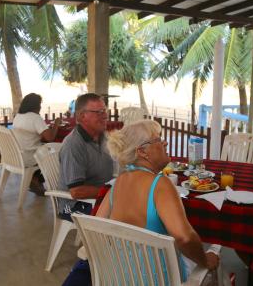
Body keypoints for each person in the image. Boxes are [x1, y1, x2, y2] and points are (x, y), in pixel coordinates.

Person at [94, 120, 219, 282]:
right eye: (159, 139)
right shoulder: (160, 185)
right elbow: (185, 238)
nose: (165, 142)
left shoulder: (118, 183)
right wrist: (204, 259)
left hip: (121, 277)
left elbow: (97, 226)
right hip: (158, 278)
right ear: (142, 152)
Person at [58, 93, 114, 220]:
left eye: (105, 111)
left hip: (100, 197)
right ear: (82, 116)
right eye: (99, 112)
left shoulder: (103, 136)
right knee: (126, 214)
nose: (105, 116)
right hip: (73, 207)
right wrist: (112, 192)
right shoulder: (73, 145)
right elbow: (77, 191)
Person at [13, 93, 61, 195]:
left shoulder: (18, 116)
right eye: (39, 104)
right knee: (59, 155)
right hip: (31, 156)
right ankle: (38, 180)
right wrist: (56, 123)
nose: (40, 107)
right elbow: (50, 138)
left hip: (19, 154)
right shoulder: (35, 118)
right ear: (34, 105)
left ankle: (35, 178)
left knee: (48, 150)